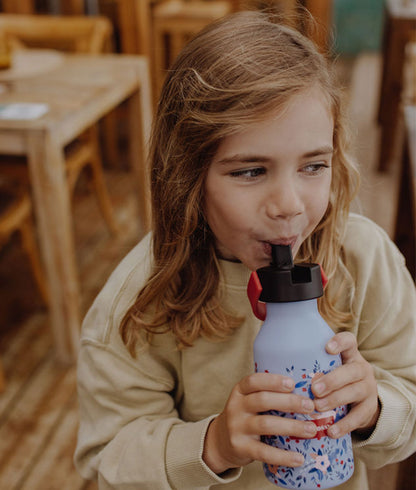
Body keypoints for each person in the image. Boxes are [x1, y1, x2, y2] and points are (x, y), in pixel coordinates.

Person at [74, 10, 416, 490]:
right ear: (188, 178)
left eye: (313, 166)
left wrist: (374, 406)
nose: (288, 206)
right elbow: (107, 453)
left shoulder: (364, 259)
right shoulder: (138, 299)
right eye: (250, 171)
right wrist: (213, 444)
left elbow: (411, 393)